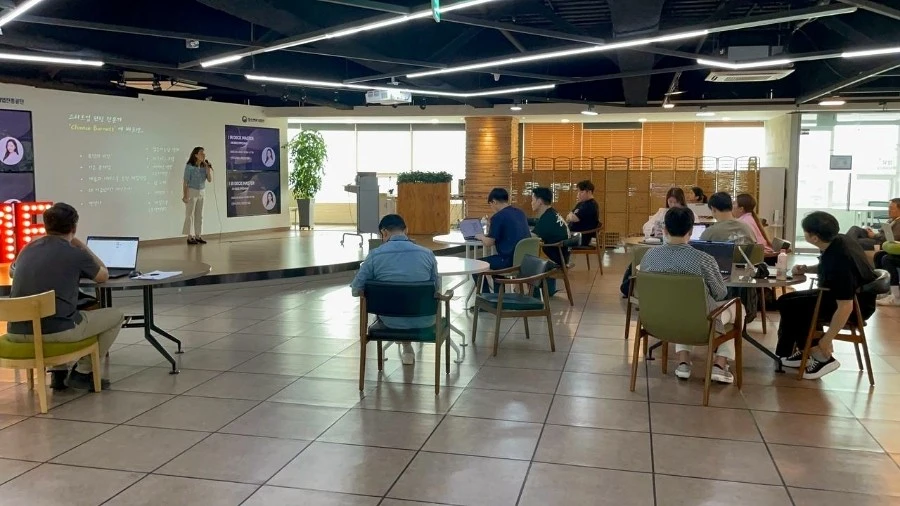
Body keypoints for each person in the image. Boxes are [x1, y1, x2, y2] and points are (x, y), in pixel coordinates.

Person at [6, 203, 124, 391]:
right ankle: (83, 372)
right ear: (74, 227)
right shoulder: (75, 253)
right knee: (115, 315)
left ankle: (58, 373)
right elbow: (103, 275)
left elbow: (13, 272)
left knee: (56, 309)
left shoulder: (27, 249)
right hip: (56, 333)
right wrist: (81, 245)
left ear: (46, 226)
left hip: (16, 332)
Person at [639, 206, 739, 384]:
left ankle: (684, 362)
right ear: (691, 231)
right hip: (697, 323)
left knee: (680, 307)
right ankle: (720, 364)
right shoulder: (704, 259)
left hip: (656, 321)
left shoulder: (649, 256)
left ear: (665, 230)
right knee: (738, 309)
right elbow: (720, 293)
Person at [777, 211, 877, 379]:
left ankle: (822, 356)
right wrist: (806, 269)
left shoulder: (840, 261)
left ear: (814, 238)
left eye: (806, 231)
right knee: (786, 301)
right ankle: (801, 351)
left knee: (795, 307)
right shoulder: (840, 241)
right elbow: (825, 267)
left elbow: (845, 307)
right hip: (844, 296)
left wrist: (827, 340)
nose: (804, 234)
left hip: (857, 305)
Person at [350, 214, 439, 365]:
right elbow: (436, 288)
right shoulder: (427, 253)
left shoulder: (375, 255)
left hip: (390, 321)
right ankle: (407, 348)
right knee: (409, 302)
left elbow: (356, 289)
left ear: (384, 232)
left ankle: (406, 348)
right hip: (425, 320)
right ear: (406, 230)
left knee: (395, 303)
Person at [620, 187, 687, 297]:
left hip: (677, 247)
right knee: (640, 257)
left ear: (681, 201)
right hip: (661, 244)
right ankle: (629, 286)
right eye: (670, 202)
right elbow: (646, 226)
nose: (673, 205)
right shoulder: (662, 212)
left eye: (676, 202)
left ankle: (632, 287)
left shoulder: (688, 214)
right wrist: (654, 230)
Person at [474, 188, 531, 293]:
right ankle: (498, 296)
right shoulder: (520, 213)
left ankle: (485, 298)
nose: (491, 208)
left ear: (494, 202)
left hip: (509, 261)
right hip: (526, 260)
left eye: (490, 205)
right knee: (495, 265)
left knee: (476, 264)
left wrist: (481, 237)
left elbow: (489, 243)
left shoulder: (498, 217)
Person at [530, 187, 569, 297]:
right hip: (562, 256)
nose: (531, 202)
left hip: (555, 261)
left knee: (525, 257)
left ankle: (534, 295)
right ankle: (548, 290)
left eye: (533, 199)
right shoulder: (552, 214)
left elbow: (530, 238)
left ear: (540, 201)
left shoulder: (547, 219)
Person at [183, 146, 213, 245]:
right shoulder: (189, 166)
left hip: (202, 192)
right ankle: (189, 237)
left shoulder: (204, 166)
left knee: (199, 215)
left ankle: (198, 235)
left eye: (204, 153)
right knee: (190, 215)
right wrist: (185, 195)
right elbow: (185, 182)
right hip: (191, 191)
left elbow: (209, 180)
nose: (203, 155)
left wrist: (208, 169)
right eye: (201, 153)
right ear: (196, 155)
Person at [566, 180, 600, 247]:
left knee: (553, 241)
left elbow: (573, 218)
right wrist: (570, 216)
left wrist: (571, 216)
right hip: (574, 235)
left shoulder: (590, 205)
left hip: (581, 238)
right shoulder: (581, 203)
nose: (578, 194)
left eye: (581, 192)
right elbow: (567, 218)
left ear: (589, 192)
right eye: (578, 192)